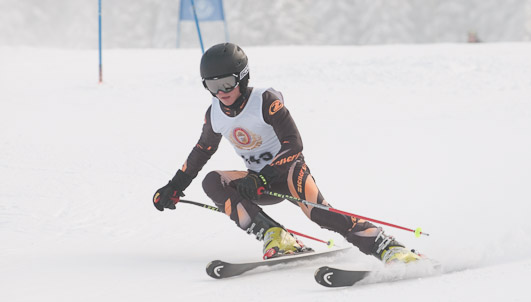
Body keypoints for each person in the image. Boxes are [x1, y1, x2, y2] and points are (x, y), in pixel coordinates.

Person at [153, 42, 420, 264]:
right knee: (212, 180)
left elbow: (293, 144)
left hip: (288, 173)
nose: (221, 92)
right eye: (212, 86)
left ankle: (389, 247)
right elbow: (202, 150)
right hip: (256, 182)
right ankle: (276, 236)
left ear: (243, 77)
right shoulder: (214, 114)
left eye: (226, 83)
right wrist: (174, 186)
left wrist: (264, 177)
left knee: (321, 215)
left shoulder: (265, 101)